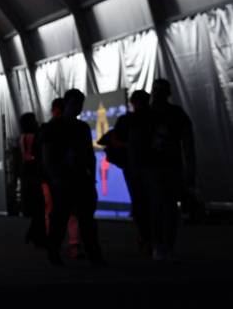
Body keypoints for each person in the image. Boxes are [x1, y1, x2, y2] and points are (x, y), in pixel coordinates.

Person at [40, 89, 103, 266]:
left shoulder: (75, 128)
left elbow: (89, 156)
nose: (78, 108)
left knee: (79, 219)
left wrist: (91, 176)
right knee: (66, 219)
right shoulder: (56, 128)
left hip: (76, 179)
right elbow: (48, 158)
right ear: (66, 104)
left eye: (80, 104)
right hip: (65, 179)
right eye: (75, 104)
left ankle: (89, 254)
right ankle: (60, 253)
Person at [143, 79, 195, 260]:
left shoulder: (149, 114)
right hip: (162, 167)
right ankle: (162, 244)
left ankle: (161, 245)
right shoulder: (175, 114)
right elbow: (188, 143)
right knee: (164, 207)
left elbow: (188, 142)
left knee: (162, 207)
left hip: (161, 167)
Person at [102, 90, 153, 255]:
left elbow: (115, 140)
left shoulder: (126, 120)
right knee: (151, 202)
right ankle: (150, 237)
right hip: (149, 166)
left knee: (139, 202)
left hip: (132, 166)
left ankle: (144, 237)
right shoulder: (153, 118)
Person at [18, 113, 45, 247]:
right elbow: (38, 154)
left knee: (35, 205)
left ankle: (33, 234)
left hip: (26, 169)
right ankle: (36, 235)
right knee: (40, 204)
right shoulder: (35, 136)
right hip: (35, 169)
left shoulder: (22, 137)